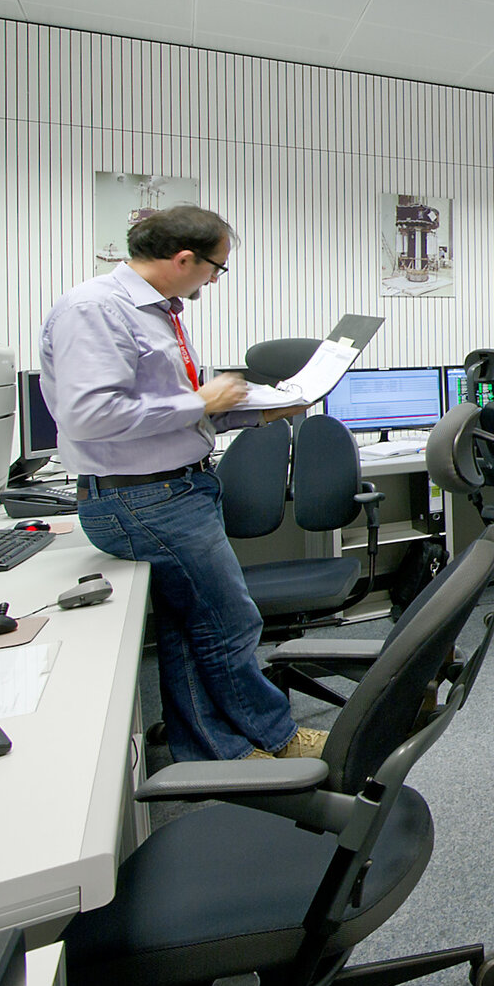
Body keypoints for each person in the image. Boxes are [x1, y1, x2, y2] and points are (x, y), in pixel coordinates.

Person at [40, 206, 322, 763]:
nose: (216, 279)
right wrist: (201, 400)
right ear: (184, 258)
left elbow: (162, 413)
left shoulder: (157, 312)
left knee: (190, 629)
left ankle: (213, 750)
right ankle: (277, 738)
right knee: (230, 623)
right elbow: (89, 416)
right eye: (216, 267)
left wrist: (255, 411)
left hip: (169, 490)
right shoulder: (97, 310)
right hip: (143, 496)